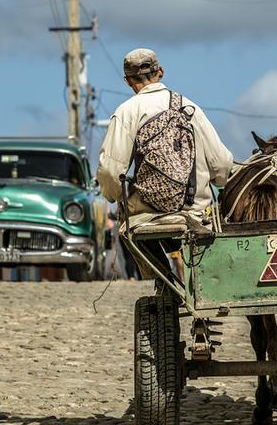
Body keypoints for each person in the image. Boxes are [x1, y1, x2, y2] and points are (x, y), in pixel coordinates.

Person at [96, 48, 233, 278]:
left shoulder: (126, 112)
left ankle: (164, 280)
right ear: (160, 72)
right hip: (196, 211)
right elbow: (221, 165)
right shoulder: (190, 108)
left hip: (148, 215)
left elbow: (111, 172)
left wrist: (113, 195)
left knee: (128, 230)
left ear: (128, 80)